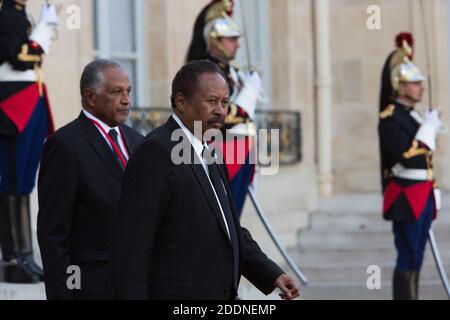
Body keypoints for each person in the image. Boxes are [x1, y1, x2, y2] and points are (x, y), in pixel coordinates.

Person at [111, 60, 300, 300]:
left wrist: (272, 274)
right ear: (181, 102)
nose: (221, 110)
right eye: (211, 101)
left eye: (224, 102)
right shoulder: (157, 151)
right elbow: (133, 244)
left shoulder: (210, 152)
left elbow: (229, 228)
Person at [37, 59, 144, 300]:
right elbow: (53, 232)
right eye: (116, 92)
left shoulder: (138, 141)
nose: (126, 100)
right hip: (91, 286)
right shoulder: (65, 144)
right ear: (91, 96)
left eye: (128, 91)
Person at [0, 0, 59, 283]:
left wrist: (40, 35)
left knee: (25, 181)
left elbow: (34, 57)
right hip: (12, 99)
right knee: (12, 180)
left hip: (30, 95)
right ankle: (12, 257)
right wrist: (41, 36)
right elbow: (16, 57)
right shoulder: (6, 15)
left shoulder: (23, 15)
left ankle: (25, 254)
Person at [186, 0, 262, 217]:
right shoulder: (207, 73)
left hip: (239, 147)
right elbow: (215, 115)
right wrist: (248, 95)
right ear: (214, 40)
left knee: (233, 214)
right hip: (221, 147)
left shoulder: (229, 71)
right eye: (231, 39)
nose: (237, 44)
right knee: (223, 214)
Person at [378, 48, 442, 299]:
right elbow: (402, 153)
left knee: (417, 255)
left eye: (419, 83)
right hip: (406, 195)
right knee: (407, 253)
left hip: (423, 193)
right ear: (400, 86)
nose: (420, 88)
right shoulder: (391, 117)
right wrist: (426, 130)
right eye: (414, 84)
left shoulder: (413, 117)